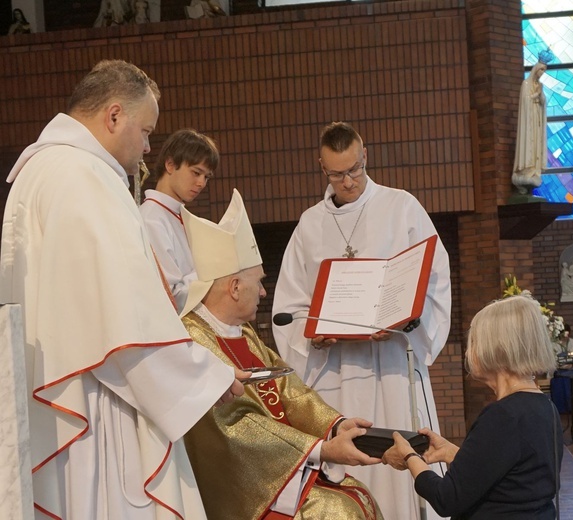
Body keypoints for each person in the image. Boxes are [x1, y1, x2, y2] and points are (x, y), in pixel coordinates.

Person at [0, 59, 246, 519]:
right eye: (147, 131)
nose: (148, 147)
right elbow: (128, 311)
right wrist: (207, 375)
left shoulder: (40, 170)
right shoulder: (85, 177)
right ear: (114, 116)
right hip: (98, 394)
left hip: (63, 387)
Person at [272, 121, 452, 519]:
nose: (349, 182)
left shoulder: (401, 207)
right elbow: (290, 306)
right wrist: (312, 337)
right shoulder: (309, 225)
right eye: (338, 174)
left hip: (391, 364)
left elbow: (433, 278)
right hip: (337, 374)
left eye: (355, 170)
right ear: (322, 167)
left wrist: (404, 321)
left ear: (365, 156)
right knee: (348, 468)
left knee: (401, 465)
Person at [179, 191, 384, 519]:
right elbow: (233, 428)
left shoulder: (241, 332)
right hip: (246, 486)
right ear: (234, 287)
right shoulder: (193, 341)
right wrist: (322, 450)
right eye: (259, 282)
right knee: (338, 512)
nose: (263, 292)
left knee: (358, 496)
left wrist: (336, 426)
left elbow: (290, 391)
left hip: (284, 468)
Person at [383, 295, 562, 519]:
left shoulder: (502, 415)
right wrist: (456, 455)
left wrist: (409, 456)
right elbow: (513, 480)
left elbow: (446, 499)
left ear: (497, 347)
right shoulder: (544, 406)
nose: (468, 352)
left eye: (474, 341)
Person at [140, 128, 219, 312]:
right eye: (196, 172)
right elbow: (170, 295)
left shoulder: (179, 216)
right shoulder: (151, 219)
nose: (201, 183)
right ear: (170, 164)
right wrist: (216, 269)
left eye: (206, 177)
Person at [512, 56, 550, 195]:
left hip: (536, 119)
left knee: (536, 144)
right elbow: (525, 101)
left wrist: (541, 97)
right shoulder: (526, 84)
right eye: (541, 70)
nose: (541, 74)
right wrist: (536, 95)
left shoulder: (539, 85)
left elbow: (543, 101)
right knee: (528, 142)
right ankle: (526, 168)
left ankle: (534, 168)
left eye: (544, 71)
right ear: (535, 69)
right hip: (528, 119)